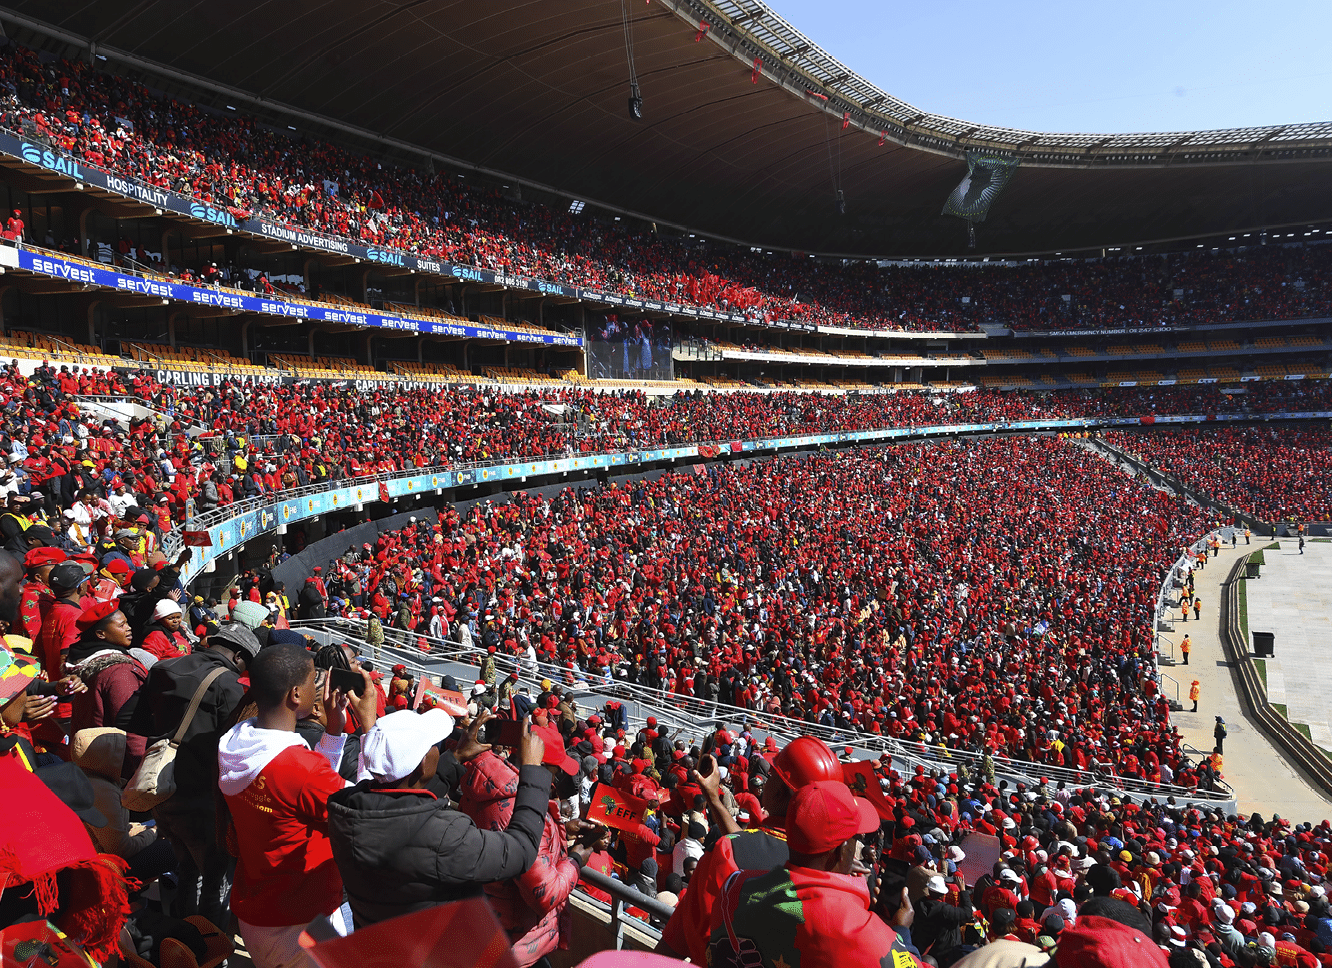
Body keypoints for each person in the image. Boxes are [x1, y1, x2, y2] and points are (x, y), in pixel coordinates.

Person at [217, 642, 377, 968]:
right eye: (312, 679)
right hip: (302, 922)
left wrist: (334, 729)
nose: (319, 685)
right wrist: (369, 727)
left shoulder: (236, 743)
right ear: (295, 695)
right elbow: (366, 810)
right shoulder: (301, 768)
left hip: (257, 910)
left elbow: (307, 792)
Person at [327, 709, 554, 928]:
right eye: (434, 745)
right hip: (432, 946)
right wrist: (532, 769)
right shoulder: (443, 835)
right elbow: (520, 851)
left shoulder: (344, 807)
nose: (439, 748)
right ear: (423, 763)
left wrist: (457, 756)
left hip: (378, 939)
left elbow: (401, 805)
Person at [658, 735, 844, 962]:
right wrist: (713, 799)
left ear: (778, 792)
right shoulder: (835, 869)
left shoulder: (726, 851)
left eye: (772, 775)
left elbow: (677, 943)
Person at [707, 779, 922, 968]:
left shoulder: (734, 887)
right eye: (857, 839)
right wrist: (900, 933)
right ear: (841, 850)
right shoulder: (863, 933)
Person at [129, 622, 258, 925]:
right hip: (203, 799)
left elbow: (137, 723)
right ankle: (208, 943)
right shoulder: (228, 683)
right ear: (239, 655)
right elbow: (236, 746)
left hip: (162, 788)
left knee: (186, 869)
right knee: (215, 881)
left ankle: (182, 938)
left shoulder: (163, 667)